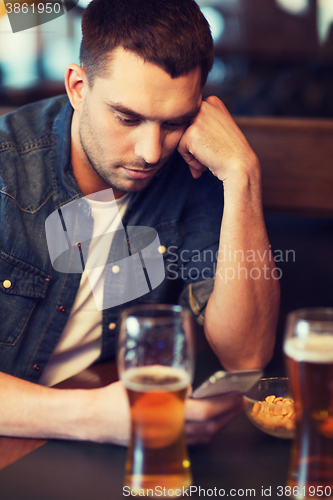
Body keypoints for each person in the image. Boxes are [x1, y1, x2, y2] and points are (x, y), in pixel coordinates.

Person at [0, 0, 279, 445]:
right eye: (127, 118)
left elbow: (245, 354)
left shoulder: (194, 173)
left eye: (175, 122)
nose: (151, 151)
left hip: (97, 450)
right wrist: (91, 415)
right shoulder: (7, 168)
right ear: (77, 86)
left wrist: (243, 174)